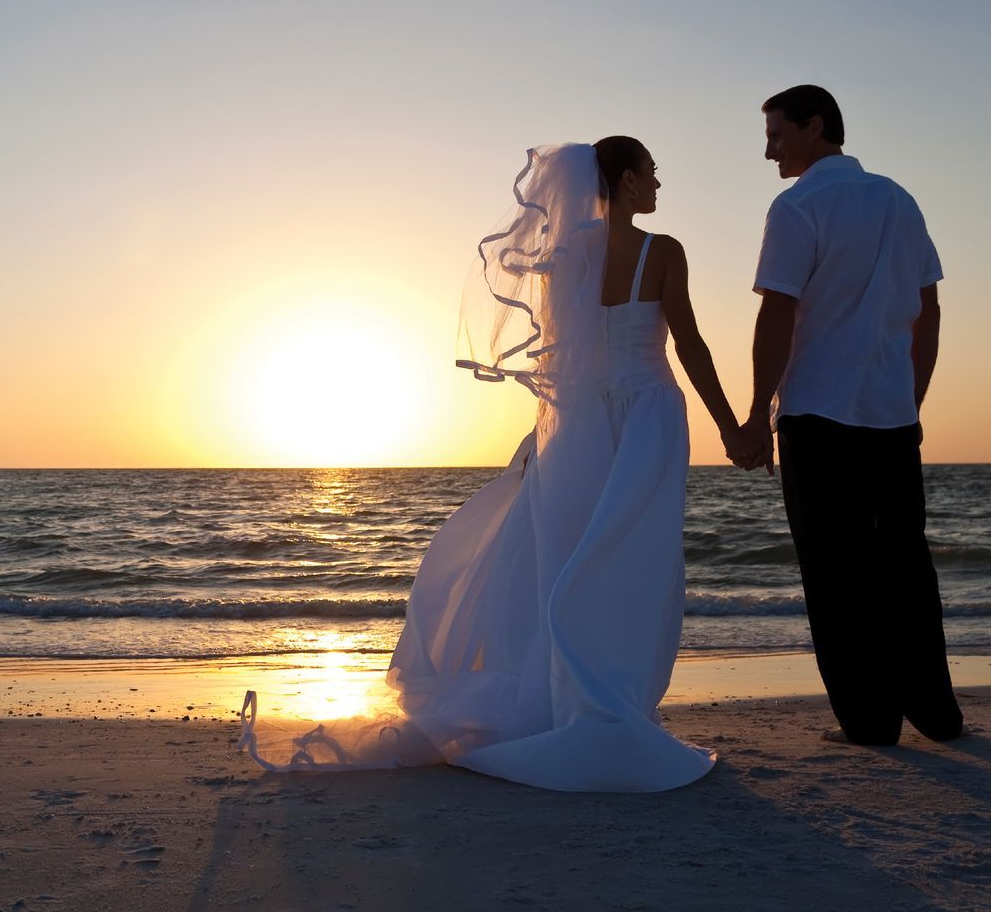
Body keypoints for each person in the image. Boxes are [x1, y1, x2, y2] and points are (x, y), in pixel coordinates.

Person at [238, 138, 738, 791]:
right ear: (623, 178)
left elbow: (558, 364)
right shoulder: (663, 250)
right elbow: (691, 342)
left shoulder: (564, 259)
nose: (658, 184)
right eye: (651, 172)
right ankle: (619, 705)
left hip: (582, 426)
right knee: (636, 560)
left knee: (570, 559)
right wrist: (735, 425)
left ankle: (579, 701)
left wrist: (548, 442)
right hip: (647, 417)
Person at [734, 84, 965, 746]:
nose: (770, 150)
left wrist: (756, 415)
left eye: (777, 134)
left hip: (817, 413)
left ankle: (868, 720)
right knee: (904, 565)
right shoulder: (899, 199)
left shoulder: (798, 205)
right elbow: (930, 310)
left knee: (834, 570)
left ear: (814, 127)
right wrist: (910, 398)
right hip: (890, 415)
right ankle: (936, 712)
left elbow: (776, 312)